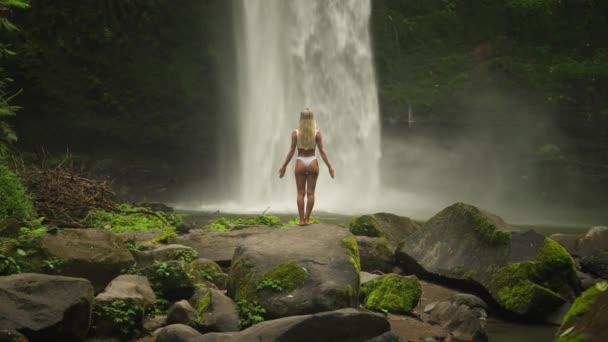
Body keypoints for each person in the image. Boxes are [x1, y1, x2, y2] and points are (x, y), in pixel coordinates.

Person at [278, 108, 335, 226]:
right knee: (311, 193)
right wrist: (330, 166)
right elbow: (322, 151)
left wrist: (284, 166)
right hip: (312, 161)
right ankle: (307, 219)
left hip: (300, 162)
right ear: (312, 119)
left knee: (300, 193)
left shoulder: (295, 133)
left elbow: (291, 151)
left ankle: (301, 220)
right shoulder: (317, 133)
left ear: (301, 119)